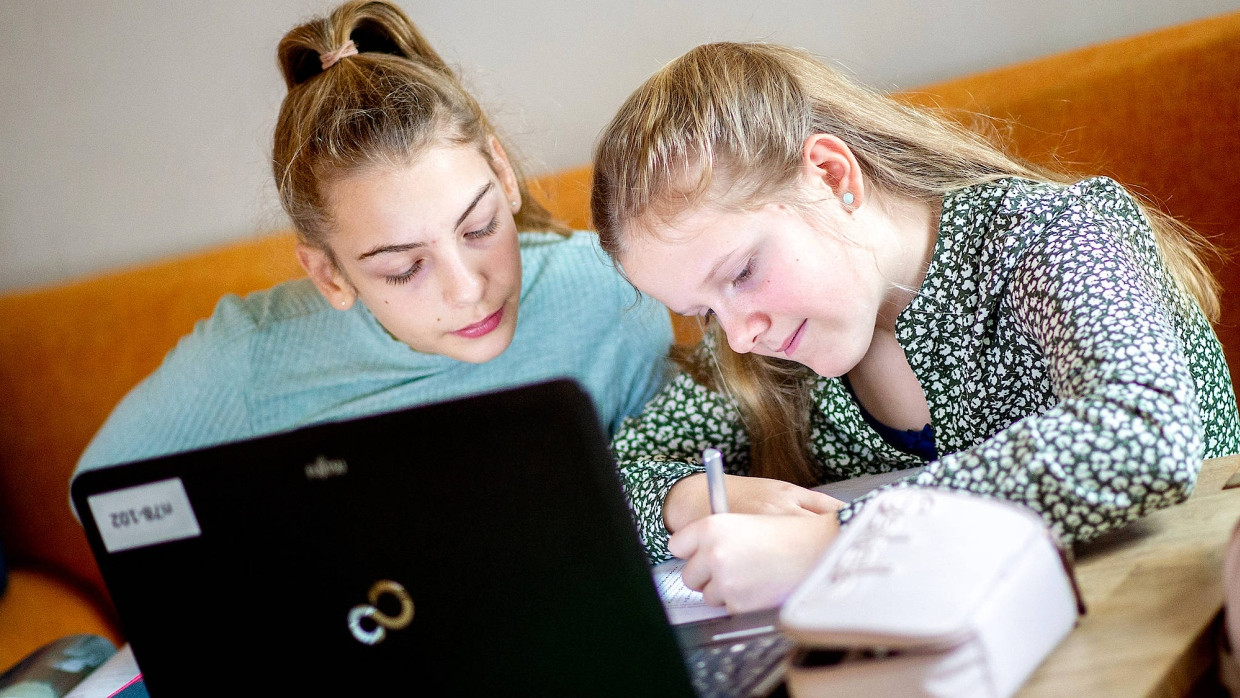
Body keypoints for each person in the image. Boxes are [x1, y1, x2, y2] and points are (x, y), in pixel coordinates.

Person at [589, 41, 1240, 613]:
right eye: (705, 312)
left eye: (741, 272)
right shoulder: (764, 351)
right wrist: (688, 498)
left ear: (831, 175)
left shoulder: (1046, 235)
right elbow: (601, 483)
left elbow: (1143, 431)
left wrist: (838, 541)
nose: (737, 335)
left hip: (1179, 616)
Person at [72, 0, 671, 481]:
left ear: (503, 174)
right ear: (329, 275)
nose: (469, 290)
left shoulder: (613, 296)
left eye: (479, 228)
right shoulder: (249, 357)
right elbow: (105, 501)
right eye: (404, 269)